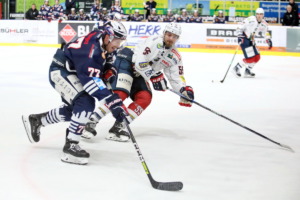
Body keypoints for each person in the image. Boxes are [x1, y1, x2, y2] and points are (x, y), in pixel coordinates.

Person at [22, 21, 128, 165]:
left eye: (121, 41)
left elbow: (107, 61)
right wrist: (113, 102)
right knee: (85, 103)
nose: (118, 45)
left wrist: (110, 70)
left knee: (75, 111)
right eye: (117, 41)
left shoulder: (102, 40)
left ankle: (37, 120)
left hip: (75, 71)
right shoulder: (91, 51)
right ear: (108, 37)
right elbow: (92, 84)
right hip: (60, 71)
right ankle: (70, 146)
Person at [82, 22, 195, 142]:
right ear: (164, 33)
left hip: (141, 73)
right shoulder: (154, 41)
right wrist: (154, 75)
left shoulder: (175, 56)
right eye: (169, 34)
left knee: (145, 97)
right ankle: (91, 121)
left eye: (174, 36)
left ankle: (119, 126)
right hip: (127, 61)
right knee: (121, 93)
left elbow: (176, 77)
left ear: (178, 38)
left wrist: (183, 90)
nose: (170, 38)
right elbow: (139, 62)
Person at [232, 8, 272, 78]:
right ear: (255, 14)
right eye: (258, 14)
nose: (259, 16)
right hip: (244, 38)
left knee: (257, 57)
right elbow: (239, 26)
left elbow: (266, 32)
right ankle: (236, 68)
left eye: (261, 14)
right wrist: (239, 36)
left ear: (263, 15)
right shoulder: (250, 20)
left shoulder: (264, 24)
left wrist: (268, 40)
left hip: (251, 40)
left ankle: (247, 71)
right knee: (250, 58)